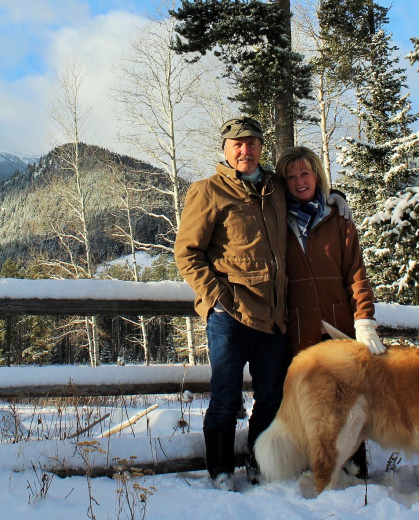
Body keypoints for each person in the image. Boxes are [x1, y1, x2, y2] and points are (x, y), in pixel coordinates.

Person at [174, 116, 288, 491]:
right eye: (237, 144)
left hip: (273, 317)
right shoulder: (209, 191)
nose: (245, 150)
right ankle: (220, 470)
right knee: (225, 397)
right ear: (224, 149)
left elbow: (310, 196)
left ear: (260, 148)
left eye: (252, 143)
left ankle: (259, 461)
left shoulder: (275, 188)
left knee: (271, 396)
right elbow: (187, 252)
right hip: (231, 315)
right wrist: (216, 299)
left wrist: (335, 200)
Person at [275, 145, 386, 479]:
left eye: (304, 173)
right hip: (299, 329)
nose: (299, 182)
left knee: (349, 398)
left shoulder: (339, 222)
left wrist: (364, 320)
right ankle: (317, 465)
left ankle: (354, 464)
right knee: (311, 399)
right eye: (291, 177)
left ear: (317, 174)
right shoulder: (277, 224)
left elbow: (357, 276)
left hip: (337, 327)